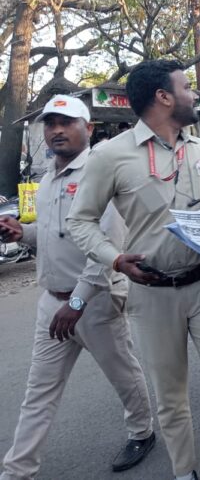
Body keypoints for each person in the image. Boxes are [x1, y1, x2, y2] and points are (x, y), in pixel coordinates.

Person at [67, 60, 200, 480]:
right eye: (187, 87)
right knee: (171, 397)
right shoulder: (110, 155)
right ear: (163, 97)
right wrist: (115, 259)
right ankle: (185, 472)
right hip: (152, 294)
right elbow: (79, 221)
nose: (193, 95)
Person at [0, 96, 155, 480]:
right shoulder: (47, 179)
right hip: (52, 304)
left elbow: (107, 245)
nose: (56, 130)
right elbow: (56, 236)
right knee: (38, 391)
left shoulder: (100, 174)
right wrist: (24, 233)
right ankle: (17, 471)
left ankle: (143, 431)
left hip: (95, 301)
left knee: (123, 374)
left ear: (87, 128)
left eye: (66, 122)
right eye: (51, 123)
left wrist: (78, 300)